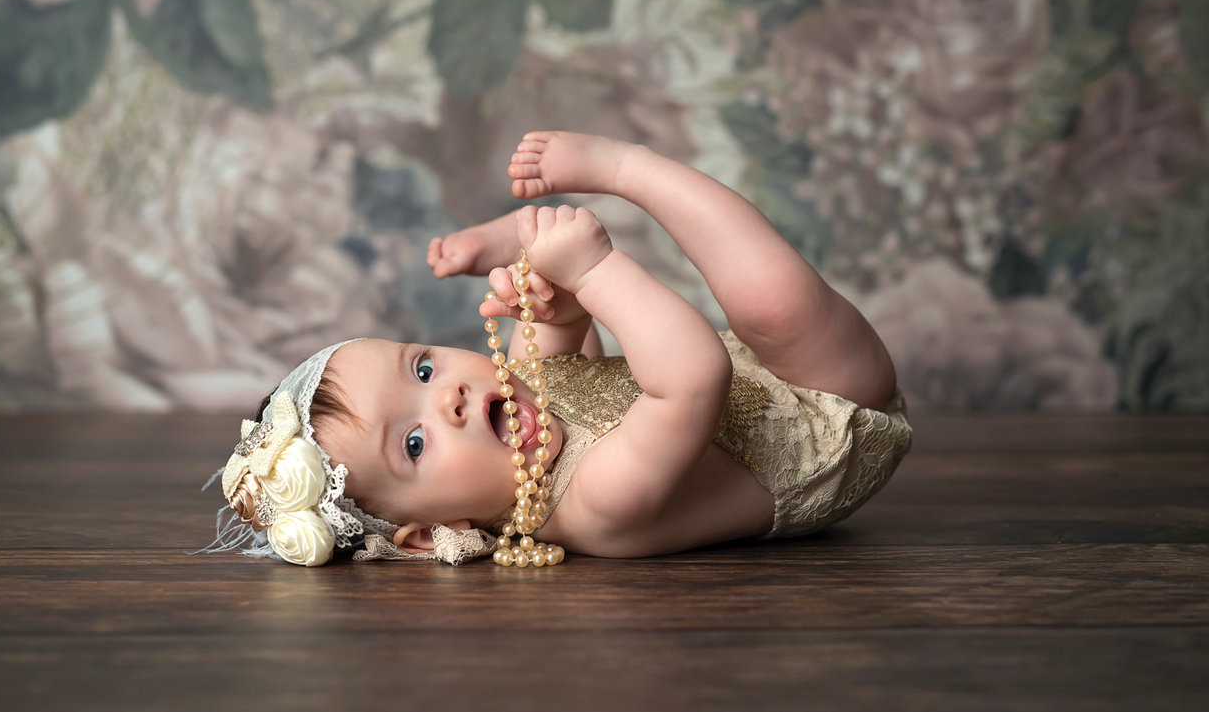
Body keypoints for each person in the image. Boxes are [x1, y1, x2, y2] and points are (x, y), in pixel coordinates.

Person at [212, 131, 910, 566]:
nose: (447, 396)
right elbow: (696, 375)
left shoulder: (514, 400)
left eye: (423, 367)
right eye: (416, 444)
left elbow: (567, 344)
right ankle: (630, 167)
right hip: (833, 417)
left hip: (762, 379)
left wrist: (556, 297)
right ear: (430, 532)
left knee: (552, 281)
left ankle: (530, 231)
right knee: (773, 304)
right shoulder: (596, 504)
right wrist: (595, 272)